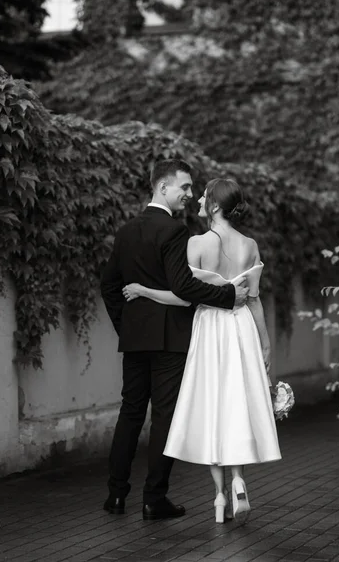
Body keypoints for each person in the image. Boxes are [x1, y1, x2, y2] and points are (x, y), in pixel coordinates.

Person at [123, 178, 282, 524]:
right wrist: (265, 343)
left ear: (213, 207)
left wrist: (144, 290)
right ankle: (239, 479)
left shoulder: (196, 243)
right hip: (241, 328)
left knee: (214, 407)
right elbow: (254, 301)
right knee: (236, 405)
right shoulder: (250, 244)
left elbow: (183, 296)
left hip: (210, 327)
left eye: (204, 198)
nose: (197, 201)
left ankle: (219, 498)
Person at [100, 161, 250, 521]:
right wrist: (229, 296)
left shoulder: (125, 231)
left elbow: (108, 285)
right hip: (170, 338)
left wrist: (127, 326)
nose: (188, 193)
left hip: (135, 338)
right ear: (162, 187)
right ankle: (154, 499)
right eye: (183, 186)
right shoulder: (174, 231)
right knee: (165, 417)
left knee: (131, 413)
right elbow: (182, 287)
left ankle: (116, 496)